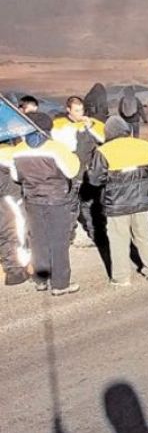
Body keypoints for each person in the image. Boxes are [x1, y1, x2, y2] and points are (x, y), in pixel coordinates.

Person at [88, 116, 148, 286]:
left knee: (118, 240)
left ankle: (121, 277)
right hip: (142, 200)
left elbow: (95, 179)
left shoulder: (103, 151)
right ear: (127, 130)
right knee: (144, 237)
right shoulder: (144, 145)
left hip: (116, 204)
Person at [10, 112, 81, 295]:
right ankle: (60, 284)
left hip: (32, 200)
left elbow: (16, 177)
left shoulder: (18, 150)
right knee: (58, 241)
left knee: (38, 241)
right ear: (47, 128)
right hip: (57, 200)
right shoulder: (56, 148)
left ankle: (41, 280)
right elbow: (72, 171)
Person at [51, 96, 105, 247]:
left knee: (91, 205)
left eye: (81, 110)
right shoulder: (59, 125)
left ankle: (96, 234)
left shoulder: (91, 123)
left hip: (90, 171)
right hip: (71, 171)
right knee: (71, 206)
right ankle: (68, 236)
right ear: (68, 110)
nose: (80, 113)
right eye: (76, 110)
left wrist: (91, 127)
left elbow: (104, 139)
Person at [0, 142, 30, 285]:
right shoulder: (8, 152)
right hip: (9, 198)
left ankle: (12, 266)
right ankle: (16, 271)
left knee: (5, 234)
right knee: (15, 232)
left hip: (5, 198)